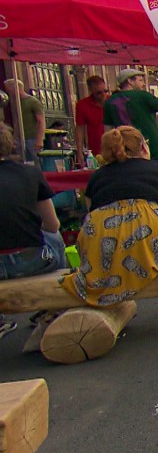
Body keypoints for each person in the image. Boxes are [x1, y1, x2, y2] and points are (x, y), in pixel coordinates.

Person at [60, 126, 158, 311]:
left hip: (103, 229)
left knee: (101, 248)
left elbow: (92, 211)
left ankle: (103, 290)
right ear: (144, 148)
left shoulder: (96, 177)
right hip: (152, 223)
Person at [0, 122, 67, 339]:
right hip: (31, 261)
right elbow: (52, 224)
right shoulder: (29, 173)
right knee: (54, 236)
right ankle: (54, 306)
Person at [103, 68, 158, 165]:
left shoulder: (109, 102)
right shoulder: (143, 96)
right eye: (140, 80)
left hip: (127, 155)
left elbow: (107, 131)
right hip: (154, 152)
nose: (143, 84)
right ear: (130, 81)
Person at [3, 79, 45, 164]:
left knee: (35, 162)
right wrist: (14, 137)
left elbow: (41, 121)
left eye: (9, 90)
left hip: (32, 138)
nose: (9, 92)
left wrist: (39, 139)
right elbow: (18, 121)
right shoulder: (17, 103)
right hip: (21, 138)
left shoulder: (33, 101)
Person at [74, 75, 109, 167]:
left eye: (105, 91)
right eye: (99, 93)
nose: (103, 95)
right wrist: (79, 151)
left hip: (114, 146)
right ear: (91, 91)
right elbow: (79, 128)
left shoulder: (112, 101)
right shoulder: (82, 105)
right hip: (96, 149)